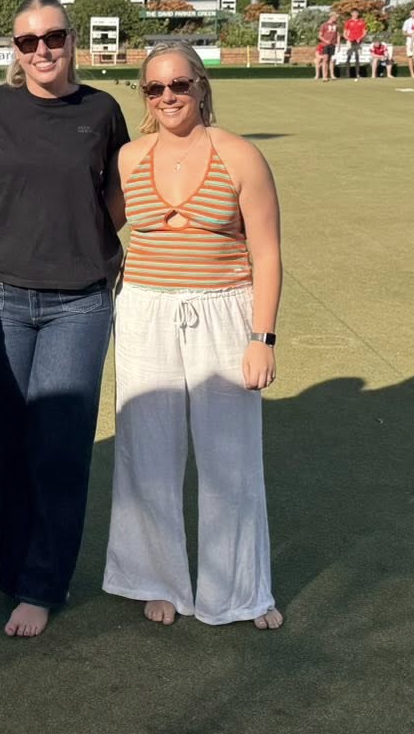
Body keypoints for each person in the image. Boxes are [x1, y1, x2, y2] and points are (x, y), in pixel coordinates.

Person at [0, 0, 128, 639]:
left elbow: (116, 194)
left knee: (59, 444)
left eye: (53, 37)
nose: (42, 51)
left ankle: (41, 584)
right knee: (10, 442)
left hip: (79, 301)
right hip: (1, 295)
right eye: (28, 41)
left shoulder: (101, 110)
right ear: (15, 49)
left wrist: (82, 237)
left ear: (71, 40)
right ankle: (14, 570)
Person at [105, 42, 285, 631]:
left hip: (224, 311)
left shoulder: (241, 156)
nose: (168, 97)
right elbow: (100, 228)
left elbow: (266, 253)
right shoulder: (129, 157)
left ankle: (238, 591)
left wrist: (262, 336)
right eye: (155, 88)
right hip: (144, 310)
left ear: (201, 86)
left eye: (179, 84)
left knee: (230, 456)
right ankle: (155, 579)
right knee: (147, 451)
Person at [312, 11, 341, 82]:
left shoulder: (336, 25)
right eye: (335, 17)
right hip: (325, 45)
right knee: (325, 59)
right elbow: (319, 36)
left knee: (331, 60)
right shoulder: (324, 25)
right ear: (332, 17)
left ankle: (332, 75)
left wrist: (338, 44)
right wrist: (325, 41)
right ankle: (324, 76)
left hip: (333, 44)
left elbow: (338, 35)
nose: (336, 18)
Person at [341, 10, 369, 76]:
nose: (355, 14)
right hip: (350, 41)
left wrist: (360, 38)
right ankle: (347, 74)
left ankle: (357, 73)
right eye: (354, 13)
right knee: (349, 56)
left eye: (356, 13)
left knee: (357, 57)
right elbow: (344, 33)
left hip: (358, 41)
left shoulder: (361, 22)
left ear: (358, 14)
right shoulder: (348, 22)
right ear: (351, 14)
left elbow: (364, 32)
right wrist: (348, 39)